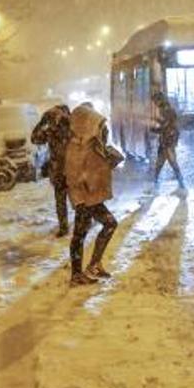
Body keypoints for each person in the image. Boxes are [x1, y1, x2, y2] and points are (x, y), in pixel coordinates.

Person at [64, 102, 120, 285]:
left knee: (108, 225)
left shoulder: (91, 145)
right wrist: (81, 196)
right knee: (81, 234)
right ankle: (77, 274)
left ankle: (92, 265)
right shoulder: (76, 148)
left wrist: (111, 160)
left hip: (92, 198)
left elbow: (98, 168)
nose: (102, 129)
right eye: (98, 125)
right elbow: (74, 176)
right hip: (84, 199)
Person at [31, 103, 73, 236]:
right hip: (59, 171)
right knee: (61, 201)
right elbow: (34, 139)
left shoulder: (72, 127)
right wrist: (41, 123)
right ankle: (64, 226)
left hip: (73, 169)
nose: (55, 118)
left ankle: (82, 223)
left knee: (78, 200)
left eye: (57, 115)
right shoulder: (51, 131)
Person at [149, 90, 185, 192]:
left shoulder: (166, 110)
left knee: (171, 162)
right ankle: (156, 185)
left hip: (168, 140)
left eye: (155, 101)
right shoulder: (166, 109)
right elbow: (167, 123)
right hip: (167, 140)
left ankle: (181, 185)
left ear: (159, 100)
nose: (155, 104)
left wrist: (152, 129)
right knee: (160, 164)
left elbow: (166, 126)